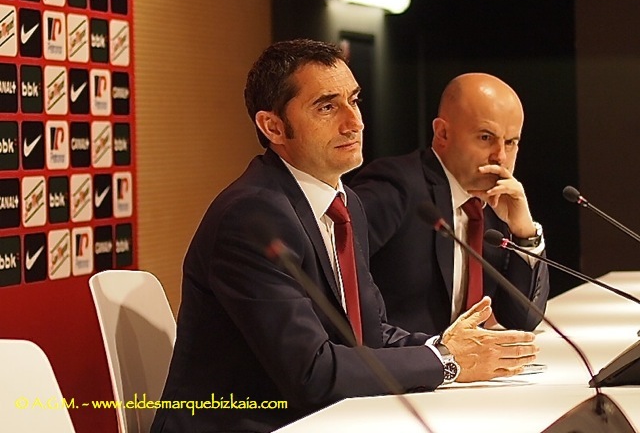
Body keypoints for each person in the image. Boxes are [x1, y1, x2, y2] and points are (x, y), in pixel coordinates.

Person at [151, 42, 538, 433]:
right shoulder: (252, 217)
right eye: (326, 107)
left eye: (354, 100)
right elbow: (311, 371)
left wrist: (449, 346)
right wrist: (446, 362)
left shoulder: (344, 202)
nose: (354, 122)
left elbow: (370, 333)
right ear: (273, 127)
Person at [350, 72, 550, 335]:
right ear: (442, 133)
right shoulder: (396, 186)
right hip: (402, 358)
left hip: (467, 359)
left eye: (511, 142)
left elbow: (523, 319)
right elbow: (336, 279)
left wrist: (524, 232)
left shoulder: (497, 204)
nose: (500, 156)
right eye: (486, 137)